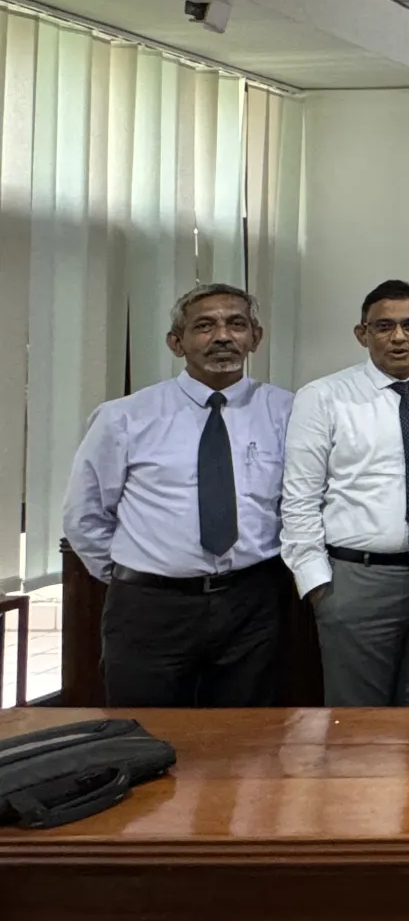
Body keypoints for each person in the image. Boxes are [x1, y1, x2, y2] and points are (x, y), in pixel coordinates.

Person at [62, 283, 295, 707]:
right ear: (176, 343)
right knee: (145, 735)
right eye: (204, 326)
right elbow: (85, 514)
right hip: (151, 607)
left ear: (255, 338)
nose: (223, 336)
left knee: (244, 743)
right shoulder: (126, 417)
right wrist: (137, 576)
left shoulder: (286, 411)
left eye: (236, 324)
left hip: (252, 603)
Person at [281, 279, 409, 706]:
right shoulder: (324, 396)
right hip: (357, 582)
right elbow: (299, 496)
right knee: (358, 724)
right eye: (383, 326)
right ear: (362, 333)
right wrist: (318, 586)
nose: (398, 337)